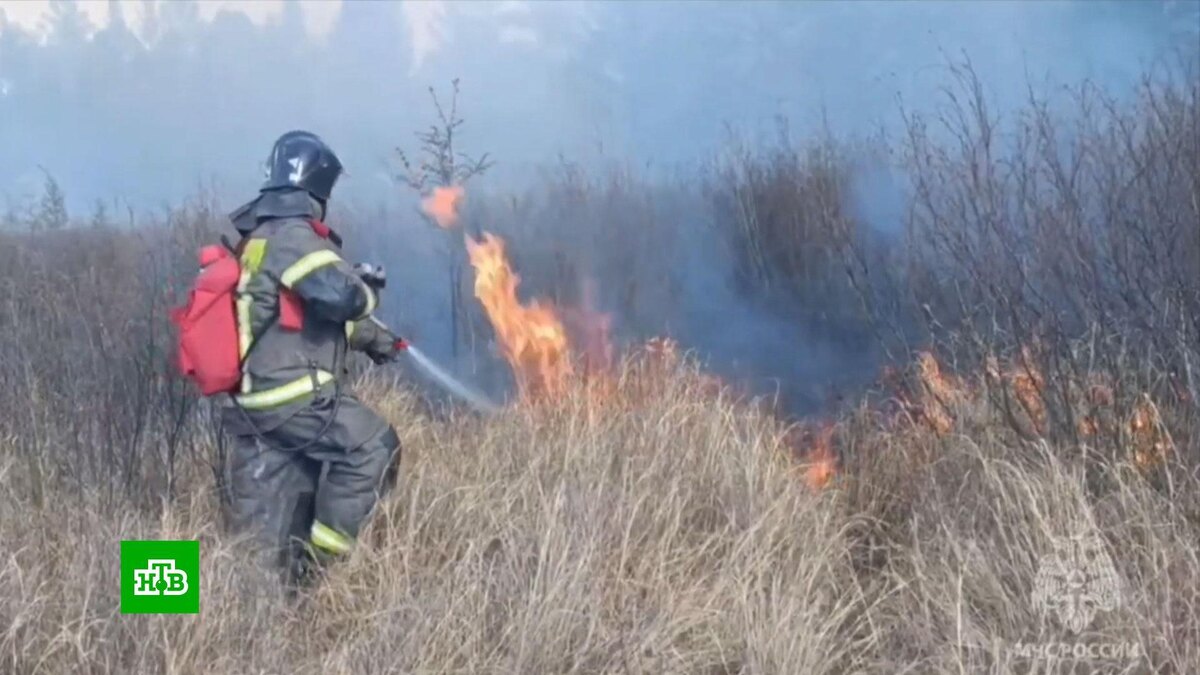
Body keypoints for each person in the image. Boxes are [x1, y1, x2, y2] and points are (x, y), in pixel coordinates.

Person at [221, 130, 403, 585]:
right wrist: (368, 286)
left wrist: (378, 342)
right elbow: (344, 299)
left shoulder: (258, 238)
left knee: (264, 546)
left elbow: (304, 314)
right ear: (316, 190)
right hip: (291, 397)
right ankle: (320, 570)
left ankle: (226, 615)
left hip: (253, 398)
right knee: (373, 445)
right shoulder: (294, 238)